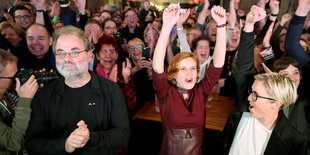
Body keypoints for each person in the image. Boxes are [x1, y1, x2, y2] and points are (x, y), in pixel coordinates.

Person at [25, 26, 130, 154]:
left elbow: (122, 134)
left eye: (74, 52)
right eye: (61, 53)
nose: (67, 59)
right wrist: (65, 145)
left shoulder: (111, 90)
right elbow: (32, 143)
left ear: (89, 56)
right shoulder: (44, 96)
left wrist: (89, 138)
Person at [218, 6, 307, 155]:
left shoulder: (294, 141)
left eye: (255, 95)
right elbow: (244, 68)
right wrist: (249, 25)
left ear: (276, 104)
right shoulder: (242, 113)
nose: (248, 97)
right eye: (252, 92)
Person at [152, 5, 226, 155]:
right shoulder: (166, 93)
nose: (189, 73)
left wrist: (221, 25)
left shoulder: (201, 91)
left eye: (193, 68)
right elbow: (157, 68)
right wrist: (166, 26)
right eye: (183, 69)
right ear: (173, 73)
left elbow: (217, 65)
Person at [0, 49, 38, 155]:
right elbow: (13, 143)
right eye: (13, 77)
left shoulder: (9, 95)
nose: (17, 80)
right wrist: (25, 100)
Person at [94, 35, 136, 112]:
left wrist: (126, 81)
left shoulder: (122, 75)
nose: (108, 55)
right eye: (103, 51)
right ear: (97, 56)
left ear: (116, 55)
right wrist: (112, 84)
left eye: (111, 51)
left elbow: (131, 105)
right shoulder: (91, 77)